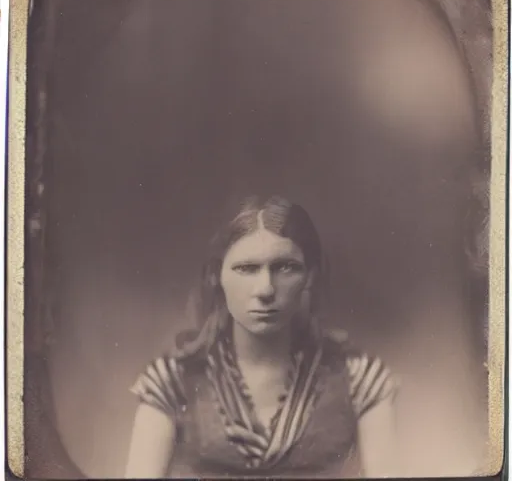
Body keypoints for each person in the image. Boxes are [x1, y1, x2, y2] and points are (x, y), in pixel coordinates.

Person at [125, 195, 399, 478]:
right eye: (246, 268)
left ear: (311, 277)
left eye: (285, 267)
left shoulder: (358, 379)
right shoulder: (173, 380)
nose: (265, 289)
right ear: (216, 276)